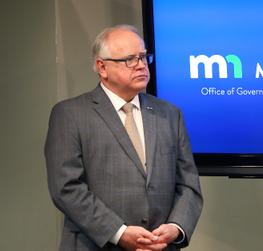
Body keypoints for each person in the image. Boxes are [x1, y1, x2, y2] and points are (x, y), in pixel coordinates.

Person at [45, 24, 203, 251]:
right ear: (102, 67)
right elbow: (66, 188)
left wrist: (176, 227)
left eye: (143, 57)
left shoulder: (170, 114)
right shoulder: (70, 114)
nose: (140, 65)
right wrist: (119, 233)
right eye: (130, 59)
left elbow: (188, 183)